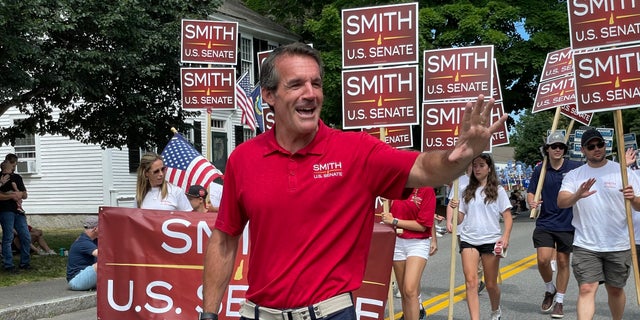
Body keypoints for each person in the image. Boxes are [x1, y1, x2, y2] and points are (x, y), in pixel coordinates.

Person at [201, 42, 507, 320]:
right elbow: (225, 239)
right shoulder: (243, 159)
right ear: (269, 95)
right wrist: (209, 314)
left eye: (316, 83)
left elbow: (426, 168)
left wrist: (460, 156)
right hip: (258, 314)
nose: (310, 93)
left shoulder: (357, 151)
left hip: (330, 313)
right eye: (296, 84)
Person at [557, 128, 640, 320]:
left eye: (600, 144)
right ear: (583, 150)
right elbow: (562, 202)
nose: (597, 149)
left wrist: (633, 198)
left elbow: (638, 206)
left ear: (605, 146)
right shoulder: (574, 175)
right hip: (586, 243)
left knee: (615, 290)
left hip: (618, 243)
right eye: (591, 146)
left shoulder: (623, 172)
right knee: (586, 288)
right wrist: (578, 194)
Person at [526, 131, 582, 318]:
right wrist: (531, 202)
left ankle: (559, 301)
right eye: (554, 146)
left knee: (563, 261)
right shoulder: (540, 169)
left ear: (564, 149)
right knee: (542, 260)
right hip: (546, 221)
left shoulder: (575, 167)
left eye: (561, 146)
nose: (557, 149)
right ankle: (550, 289)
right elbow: (531, 192)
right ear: (547, 149)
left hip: (567, 222)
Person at [456, 154, 512, 320]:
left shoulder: (498, 191)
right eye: (475, 166)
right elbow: (460, 218)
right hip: (468, 239)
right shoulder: (466, 191)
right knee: (471, 282)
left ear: (489, 168)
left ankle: (495, 311)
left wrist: (506, 236)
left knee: (490, 284)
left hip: (490, 240)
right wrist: (453, 209)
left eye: (481, 165)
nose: (477, 169)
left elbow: (507, 216)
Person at [382, 187, 437, 320]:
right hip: (397, 242)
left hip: (417, 243)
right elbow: (384, 217)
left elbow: (423, 225)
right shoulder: (395, 189)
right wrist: (386, 203)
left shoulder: (427, 190)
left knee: (410, 289)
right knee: (404, 293)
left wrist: (394, 221)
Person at [447, 165, 486, 294]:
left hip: (480, 227)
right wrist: (449, 221)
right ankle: (473, 281)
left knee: (479, 257)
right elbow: (451, 203)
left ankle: (476, 281)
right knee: (467, 258)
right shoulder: (459, 180)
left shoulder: (485, 181)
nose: (474, 168)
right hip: (462, 227)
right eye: (471, 165)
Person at [0, 155, 31, 273]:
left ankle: (25, 263)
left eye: (13, 164)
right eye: (10, 164)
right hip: (5, 210)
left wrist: (19, 194)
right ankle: (8, 264)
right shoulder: (1, 178)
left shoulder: (17, 177)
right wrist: (11, 195)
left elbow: (25, 195)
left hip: (18, 211)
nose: (12, 166)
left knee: (26, 236)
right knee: (8, 237)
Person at [67, 216, 99, 291]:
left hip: (85, 275)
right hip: (76, 280)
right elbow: (103, 255)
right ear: (95, 229)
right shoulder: (83, 242)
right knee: (101, 264)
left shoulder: (94, 240)